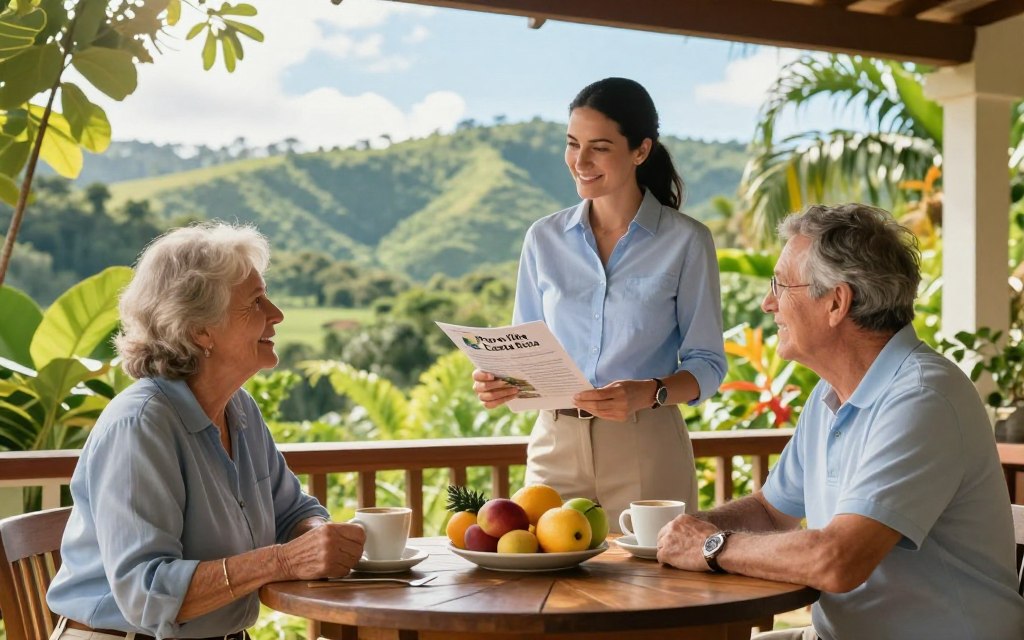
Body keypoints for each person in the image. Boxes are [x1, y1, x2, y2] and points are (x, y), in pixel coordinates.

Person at [656, 204, 1024, 639]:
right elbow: (769, 512)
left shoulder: (923, 398)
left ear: (836, 302)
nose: (767, 302)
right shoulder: (831, 393)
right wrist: (682, 534)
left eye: (780, 284)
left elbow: (838, 560)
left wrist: (709, 546)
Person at [46, 223, 366, 639]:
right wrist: (284, 561)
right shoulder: (142, 424)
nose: (277, 315)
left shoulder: (238, 408)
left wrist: (317, 538)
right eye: (255, 302)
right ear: (200, 329)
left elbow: (293, 513)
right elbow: (145, 594)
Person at [473, 77, 726, 528]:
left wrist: (649, 391)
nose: (580, 161)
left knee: (656, 589)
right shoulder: (543, 239)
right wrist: (503, 379)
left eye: (600, 147)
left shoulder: (687, 241)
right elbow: (525, 345)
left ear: (640, 151)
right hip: (554, 446)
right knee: (550, 590)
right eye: (573, 144)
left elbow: (708, 363)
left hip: (646, 442)